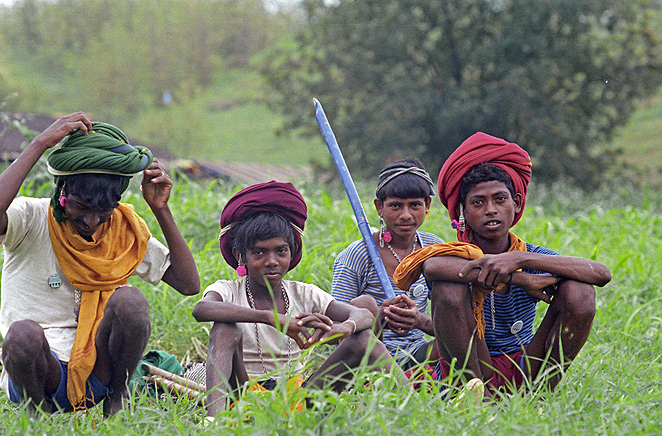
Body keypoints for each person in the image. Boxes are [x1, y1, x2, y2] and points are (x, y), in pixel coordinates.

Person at [0, 112, 200, 417]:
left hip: (99, 373)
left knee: (130, 301)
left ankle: (116, 399)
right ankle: (36, 416)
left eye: (104, 210)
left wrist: (160, 209)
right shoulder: (32, 218)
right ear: (62, 192)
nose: (92, 221)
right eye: (81, 207)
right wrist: (41, 142)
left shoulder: (122, 228)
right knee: (22, 335)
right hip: (39, 374)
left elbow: (188, 285)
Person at [393, 132, 611, 398]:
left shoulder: (528, 255)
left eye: (500, 199)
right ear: (462, 211)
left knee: (581, 291)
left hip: (525, 363)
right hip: (473, 364)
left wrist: (519, 260)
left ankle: (541, 393)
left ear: (515, 203)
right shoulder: (457, 254)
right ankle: (472, 395)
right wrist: (516, 277)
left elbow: (601, 274)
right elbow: (432, 268)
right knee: (447, 289)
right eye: (478, 202)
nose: (491, 210)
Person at [191, 181, 407, 417]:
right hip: (241, 393)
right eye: (259, 252)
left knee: (363, 337)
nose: (272, 261)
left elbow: (364, 314)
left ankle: (416, 408)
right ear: (239, 255)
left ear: (292, 252)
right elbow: (202, 309)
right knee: (224, 328)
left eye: (280, 251)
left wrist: (342, 327)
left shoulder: (303, 293)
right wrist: (270, 318)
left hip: (298, 396)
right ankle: (214, 421)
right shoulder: (228, 290)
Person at [332, 158, 444, 369]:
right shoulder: (356, 255)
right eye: (395, 206)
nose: (405, 215)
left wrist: (420, 321)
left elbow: (452, 320)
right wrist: (378, 318)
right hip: (367, 359)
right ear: (379, 207)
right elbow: (336, 330)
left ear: (427, 205)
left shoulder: (434, 249)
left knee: (458, 342)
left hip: (417, 353)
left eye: (415, 205)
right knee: (363, 304)